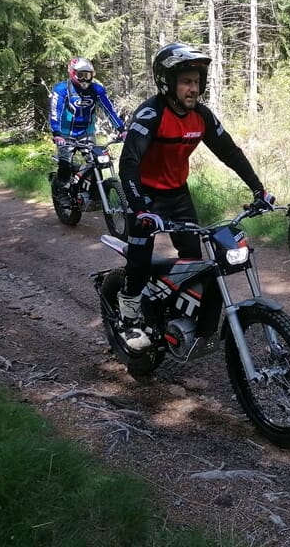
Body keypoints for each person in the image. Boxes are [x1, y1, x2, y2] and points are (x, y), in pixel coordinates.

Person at [117, 42, 275, 351]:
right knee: (139, 257)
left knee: (194, 260)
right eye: (186, 81)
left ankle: (180, 316)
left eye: (197, 81)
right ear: (167, 82)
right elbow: (129, 163)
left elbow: (230, 152)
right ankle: (129, 315)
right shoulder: (151, 114)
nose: (193, 88)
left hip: (178, 194)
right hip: (146, 196)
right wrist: (139, 209)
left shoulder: (200, 116)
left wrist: (259, 188)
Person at [49, 57, 126, 204]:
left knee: (97, 162)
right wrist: (57, 133)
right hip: (66, 134)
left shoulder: (97, 90)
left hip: (87, 133)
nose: (85, 79)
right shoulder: (61, 89)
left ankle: (94, 196)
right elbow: (55, 111)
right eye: (81, 75)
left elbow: (109, 110)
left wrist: (121, 129)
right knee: (65, 164)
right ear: (73, 74)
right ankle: (62, 192)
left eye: (88, 75)